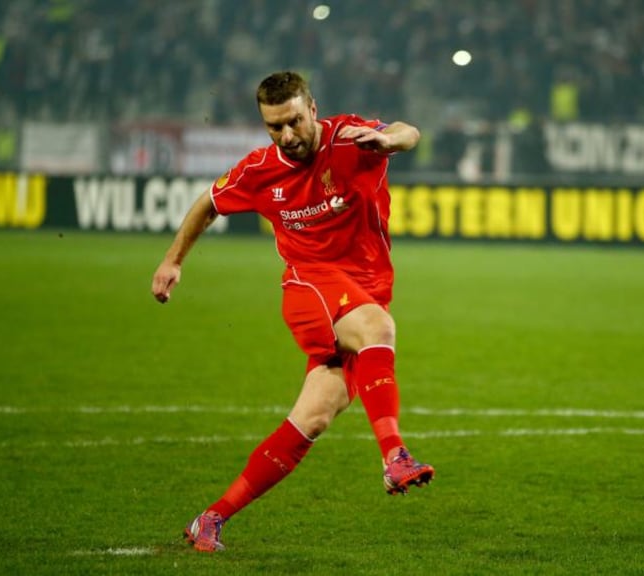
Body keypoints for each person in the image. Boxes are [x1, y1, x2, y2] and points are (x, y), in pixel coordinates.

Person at [150, 70, 435, 553]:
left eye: (294, 122)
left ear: (313, 109)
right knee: (378, 328)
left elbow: (410, 132)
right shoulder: (260, 170)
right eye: (274, 127)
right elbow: (208, 203)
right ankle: (395, 457)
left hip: (361, 291)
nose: (287, 136)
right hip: (309, 288)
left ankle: (210, 519)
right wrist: (173, 261)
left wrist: (389, 140)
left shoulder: (351, 139)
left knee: (314, 417)